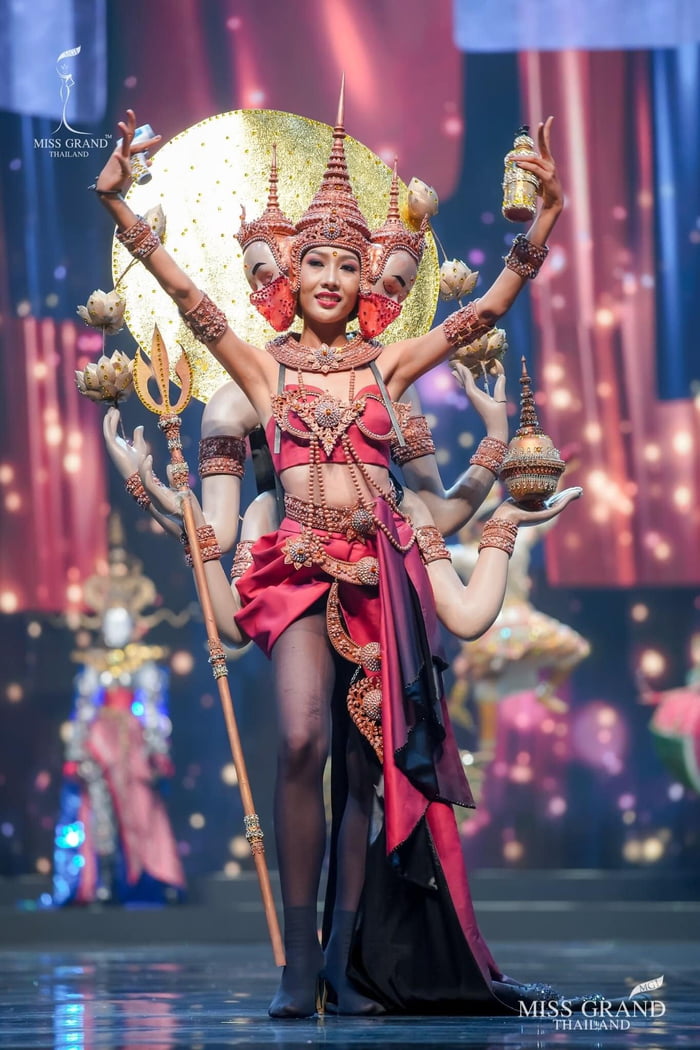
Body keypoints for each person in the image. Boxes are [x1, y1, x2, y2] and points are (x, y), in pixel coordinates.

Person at [93, 96, 577, 1016]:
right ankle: (295, 959)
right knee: (301, 739)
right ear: (291, 273)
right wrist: (118, 204)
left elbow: (486, 310)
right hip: (296, 567)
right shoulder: (261, 368)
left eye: (348, 265)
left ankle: (342, 962)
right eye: (315, 261)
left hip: (382, 569)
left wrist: (544, 219)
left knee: (363, 769)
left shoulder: (387, 366)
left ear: (367, 284)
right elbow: (189, 298)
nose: (329, 276)